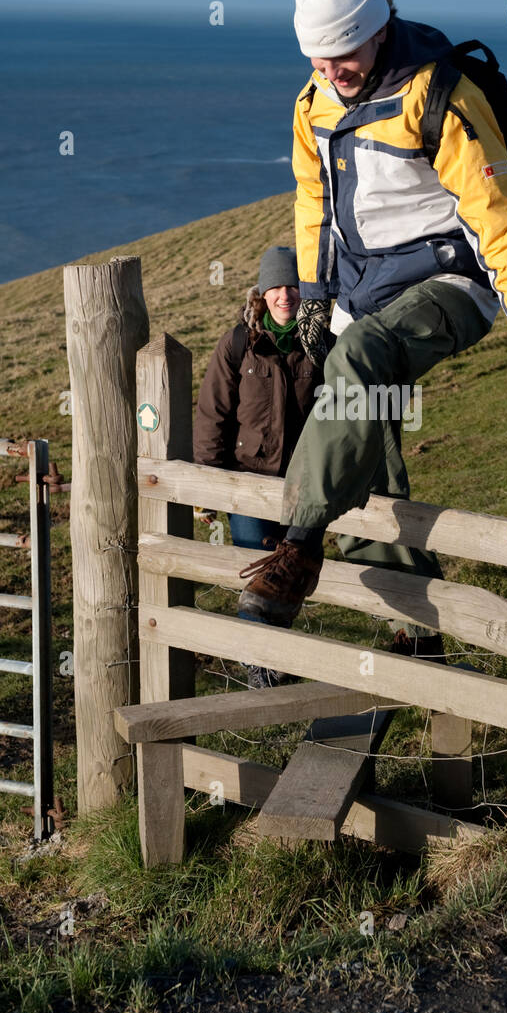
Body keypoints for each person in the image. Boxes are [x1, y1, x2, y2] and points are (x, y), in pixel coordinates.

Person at [237, 0, 507, 639]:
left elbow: (501, 219)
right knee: (365, 447)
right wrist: (314, 295)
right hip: (362, 289)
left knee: (360, 362)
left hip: (452, 281)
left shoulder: (439, 96)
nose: (329, 73)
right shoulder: (312, 104)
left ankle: (298, 547)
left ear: (377, 29)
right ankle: (416, 634)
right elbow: (313, 201)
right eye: (315, 59)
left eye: (341, 56)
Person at [193, 245, 321, 686]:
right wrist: (208, 486)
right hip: (247, 483)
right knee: (257, 578)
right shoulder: (238, 345)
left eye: (293, 286)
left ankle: (273, 664)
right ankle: (261, 666)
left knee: (288, 577)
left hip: (303, 485)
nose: (285, 295)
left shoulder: (320, 343)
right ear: (261, 295)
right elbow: (213, 414)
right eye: (276, 288)